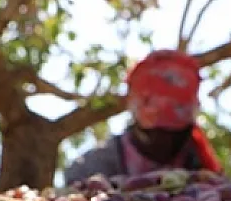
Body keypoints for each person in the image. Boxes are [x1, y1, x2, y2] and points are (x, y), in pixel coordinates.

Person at [62, 50, 221, 184]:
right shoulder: (90, 169)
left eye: (174, 136)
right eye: (154, 134)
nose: (163, 144)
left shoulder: (204, 170)